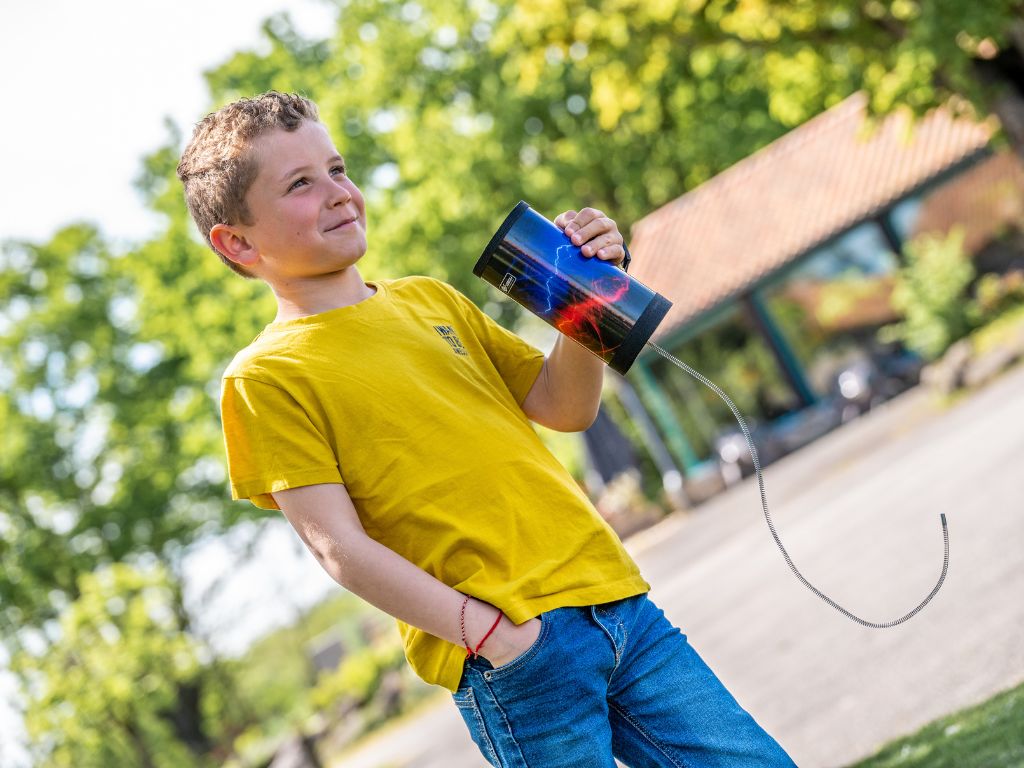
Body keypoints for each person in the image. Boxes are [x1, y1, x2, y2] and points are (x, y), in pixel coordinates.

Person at [177, 91, 795, 767]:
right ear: (236, 242)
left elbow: (564, 406)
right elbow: (339, 549)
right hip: (515, 657)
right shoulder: (265, 376)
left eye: (338, 168)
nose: (339, 193)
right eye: (300, 184)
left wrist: (585, 293)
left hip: (613, 598)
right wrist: (492, 636)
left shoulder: (429, 299)